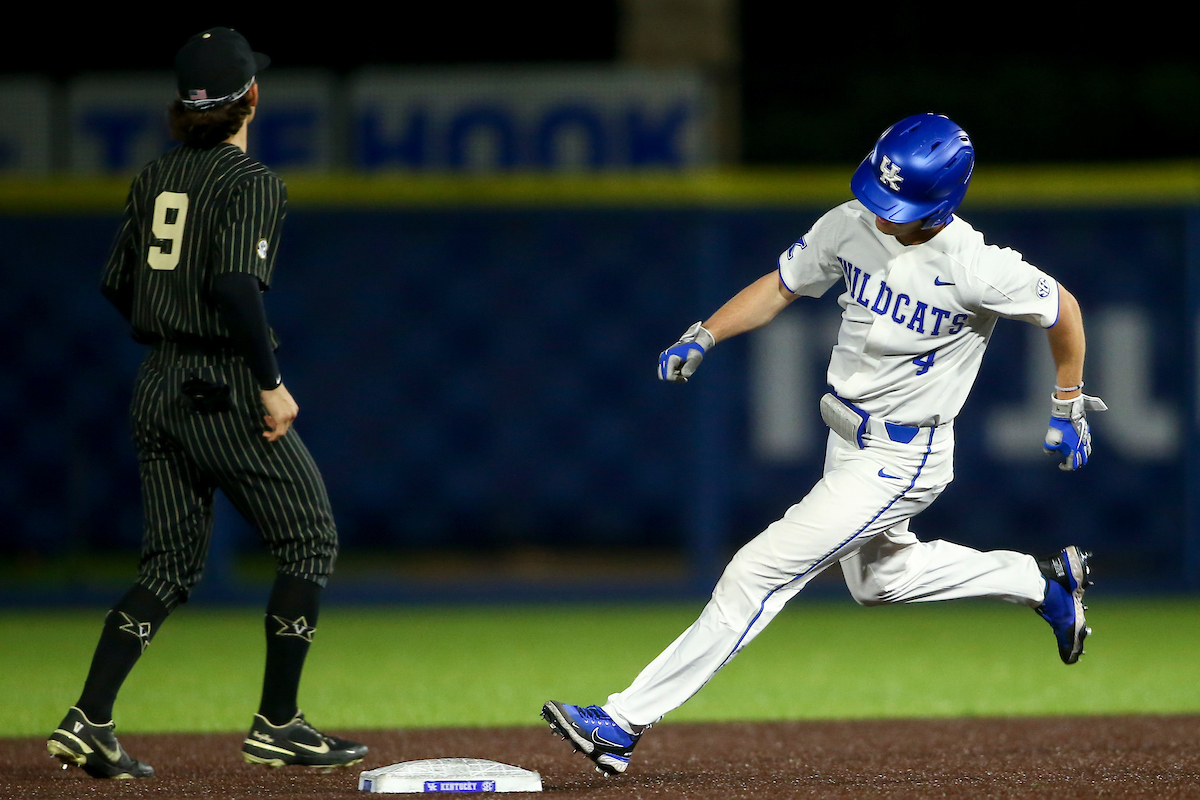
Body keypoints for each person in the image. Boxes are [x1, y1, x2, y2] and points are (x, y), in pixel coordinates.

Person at [541, 113, 1106, 776]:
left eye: (897, 202)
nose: (880, 209)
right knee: (881, 581)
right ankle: (1043, 587)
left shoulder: (977, 267)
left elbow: (1062, 307)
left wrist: (1067, 401)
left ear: (943, 201)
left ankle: (622, 722)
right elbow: (781, 286)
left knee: (757, 571)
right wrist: (706, 332)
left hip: (903, 456)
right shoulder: (850, 224)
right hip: (846, 439)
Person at [46, 28, 367, 779]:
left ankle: (90, 719)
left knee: (167, 567)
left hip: (157, 381)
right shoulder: (251, 180)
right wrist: (268, 380)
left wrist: (165, 328)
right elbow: (233, 285)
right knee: (310, 538)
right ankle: (279, 723)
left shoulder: (155, 174)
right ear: (249, 97)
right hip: (219, 384)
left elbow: (115, 284)